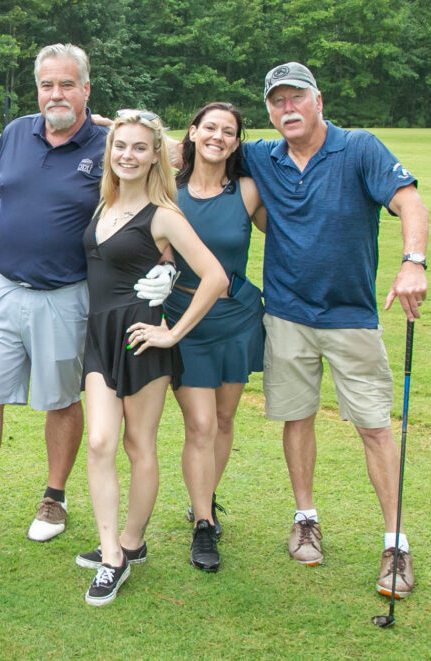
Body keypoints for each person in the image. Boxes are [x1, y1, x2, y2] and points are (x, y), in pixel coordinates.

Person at [139, 63, 430, 596]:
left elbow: (408, 199)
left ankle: (396, 543)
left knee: (374, 428)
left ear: (318, 101)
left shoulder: (359, 147)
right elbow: (195, 147)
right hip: (286, 315)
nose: (288, 108)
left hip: (350, 316)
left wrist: (413, 261)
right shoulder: (262, 157)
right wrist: (109, 127)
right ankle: (304, 518)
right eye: (278, 101)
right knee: (296, 419)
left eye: (297, 97)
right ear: (270, 112)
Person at [0, 44, 176, 552]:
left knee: (62, 399)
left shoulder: (110, 145)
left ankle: (54, 498)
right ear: (37, 89)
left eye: (67, 84)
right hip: (2, 288)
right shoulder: (16, 132)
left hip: (68, 294)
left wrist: (168, 263)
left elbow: (159, 186)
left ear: (86, 88)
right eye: (47, 85)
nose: (56, 94)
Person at [76, 110, 226, 606]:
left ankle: (130, 544)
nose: (128, 155)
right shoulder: (104, 204)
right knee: (99, 442)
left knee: (139, 445)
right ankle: (110, 552)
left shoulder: (163, 215)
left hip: (141, 339)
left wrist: (172, 333)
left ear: (155, 155)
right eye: (121, 145)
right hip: (100, 336)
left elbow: (215, 277)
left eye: (140, 147)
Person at [163, 102, 266, 573]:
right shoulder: (169, 191)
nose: (217, 137)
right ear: (193, 131)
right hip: (184, 320)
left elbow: (288, 226)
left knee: (224, 420)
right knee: (201, 424)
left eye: (228, 131)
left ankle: (204, 498)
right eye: (210, 128)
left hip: (237, 318)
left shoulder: (247, 190)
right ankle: (204, 525)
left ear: (237, 142)